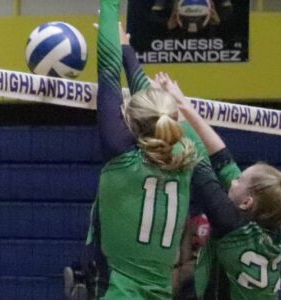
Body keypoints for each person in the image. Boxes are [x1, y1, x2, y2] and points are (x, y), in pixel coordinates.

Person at [76, 0, 211, 298]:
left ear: (130, 120)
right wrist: (126, 50)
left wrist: (111, 14)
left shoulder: (121, 152)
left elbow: (108, 73)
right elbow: (153, 108)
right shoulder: (187, 155)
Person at [157, 72, 281, 299]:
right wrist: (184, 105)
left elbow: (197, 158)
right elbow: (223, 157)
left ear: (247, 202)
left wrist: (169, 109)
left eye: (239, 180)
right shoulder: (270, 224)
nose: (234, 179)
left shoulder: (230, 223)